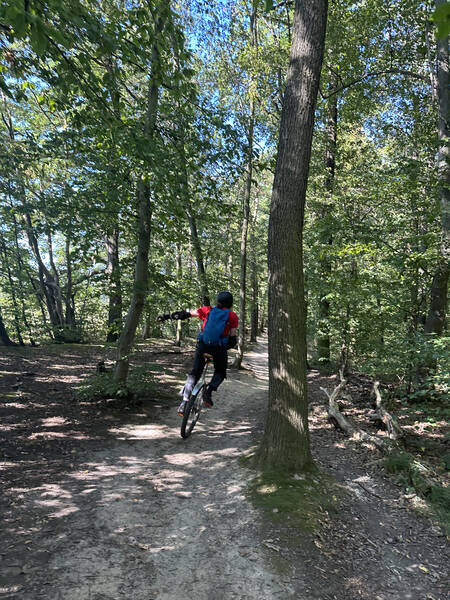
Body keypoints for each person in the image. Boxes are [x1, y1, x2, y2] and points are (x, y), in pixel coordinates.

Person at [157, 291, 238, 416]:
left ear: (217, 301)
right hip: (218, 349)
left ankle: (184, 404)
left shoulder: (207, 310)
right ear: (230, 303)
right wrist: (223, 348)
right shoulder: (232, 316)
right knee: (220, 372)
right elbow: (232, 339)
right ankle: (209, 391)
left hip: (203, 346)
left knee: (195, 373)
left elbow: (185, 314)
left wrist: (166, 316)